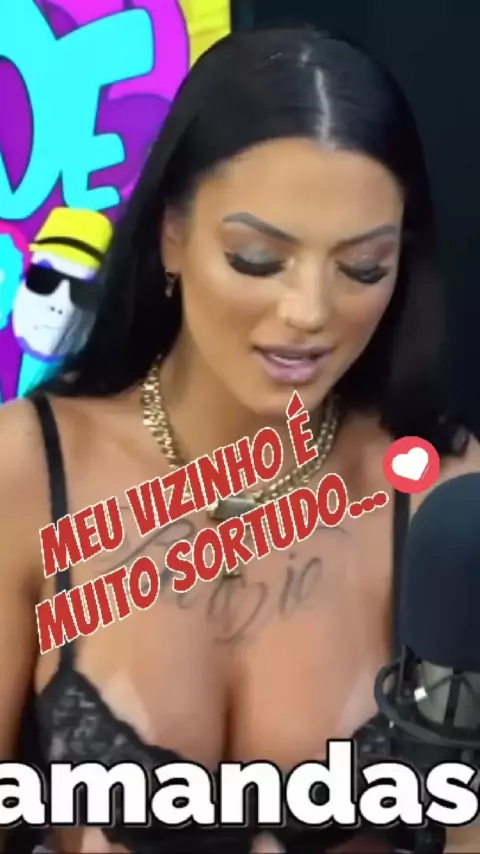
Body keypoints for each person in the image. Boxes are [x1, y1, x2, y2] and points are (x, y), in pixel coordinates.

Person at [0, 24, 479, 854]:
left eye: (362, 268)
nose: (310, 312)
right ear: (172, 235)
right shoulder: (25, 472)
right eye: (258, 258)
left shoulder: (443, 496)